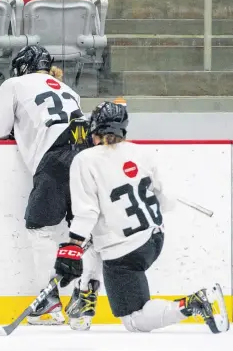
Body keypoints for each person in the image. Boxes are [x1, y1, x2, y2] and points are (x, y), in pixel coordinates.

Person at [54, 101, 230, 334]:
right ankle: (85, 297)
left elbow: (87, 212)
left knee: (134, 320)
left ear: (94, 128)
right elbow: (166, 201)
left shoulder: (85, 160)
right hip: (154, 239)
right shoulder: (142, 152)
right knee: (96, 243)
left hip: (125, 254)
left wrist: (72, 246)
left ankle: (192, 303)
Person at [0, 45, 91, 326]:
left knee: (39, 227)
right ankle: (84, 305)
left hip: (57, 155)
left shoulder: (14, 84)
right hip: (88, 152)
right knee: (83, 230)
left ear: (21, 67)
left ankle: (49, 304)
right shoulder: (70, 90)